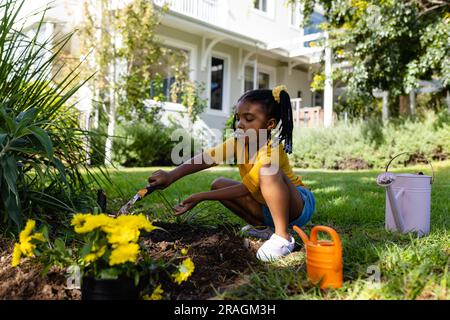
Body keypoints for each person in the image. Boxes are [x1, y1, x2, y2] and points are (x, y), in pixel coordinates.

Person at [147, 86, 316, 261]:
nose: (240, 123)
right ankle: (263, 228)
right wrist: (171, 175)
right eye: (238, 118)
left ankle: (282, 237)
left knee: (268, 171)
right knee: (218, 184)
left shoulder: (271, 149)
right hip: (267, 206)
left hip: (297, 206)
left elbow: (244, 189)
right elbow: (207, 158)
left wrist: (201, 196)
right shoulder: (238, 142)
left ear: (270, 124)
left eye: (249, 118)